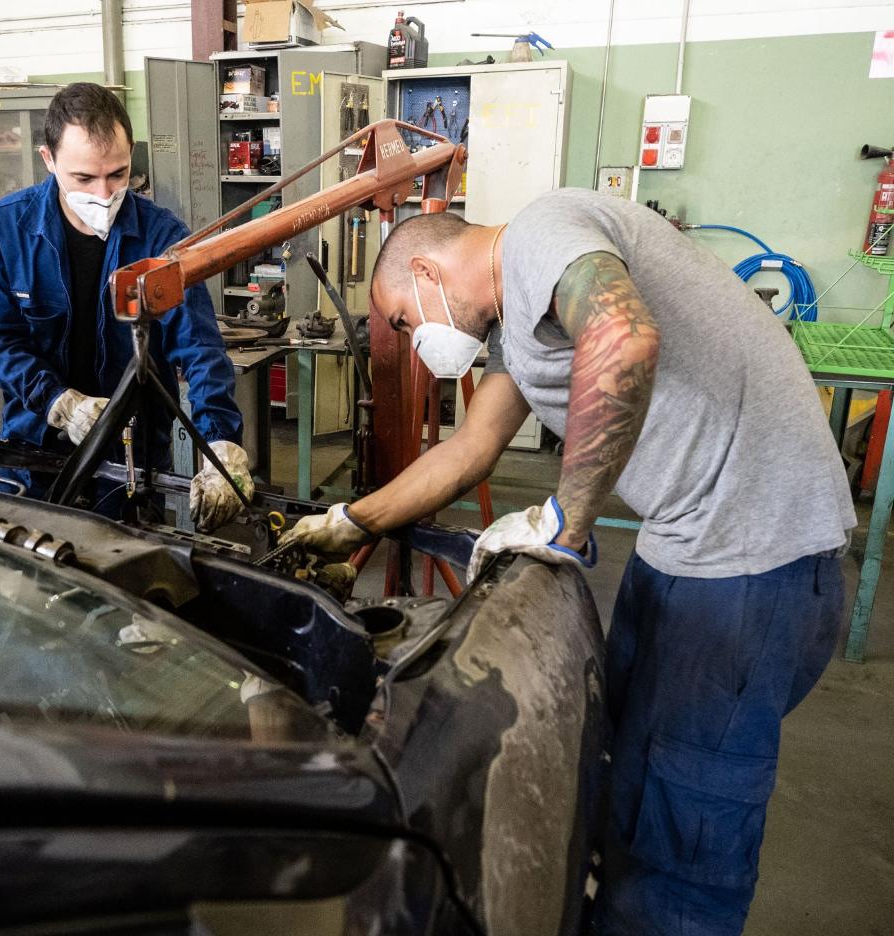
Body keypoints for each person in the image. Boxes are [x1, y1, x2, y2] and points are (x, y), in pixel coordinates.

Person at [282, 188, 855, 935]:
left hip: (749, 556)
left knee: (683, 832)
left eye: (401, 319)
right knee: (629, 781)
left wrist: (565, 520)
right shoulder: (524, 325)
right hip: (690, 542)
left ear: (425, 270)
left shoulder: (538, 237)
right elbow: (469, 451)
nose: (412, 338)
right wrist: (347, 523)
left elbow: (623, 336)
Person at [0, 83, 249, 530]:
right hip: (35, 450)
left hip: (130, 462)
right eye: (84, 178)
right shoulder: (5, 230)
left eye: (118, 174)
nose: (103, 193)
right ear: (48, 159)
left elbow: (199, 349)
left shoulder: (161, 238)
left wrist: (221, 447)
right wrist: (60, 402)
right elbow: (0, 343)